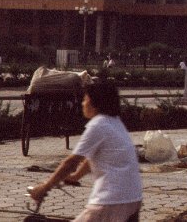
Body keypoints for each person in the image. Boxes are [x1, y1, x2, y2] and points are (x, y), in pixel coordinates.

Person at [28, 81, 142, 221]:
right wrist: (75, 177)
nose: (82, 103)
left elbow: (71, 163)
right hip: (133, 197)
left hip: (111, 200)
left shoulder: (97, 124)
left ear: (95, 103)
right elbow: (91, 157)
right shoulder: (115, 122)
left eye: (85, 99)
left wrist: (44, 187)